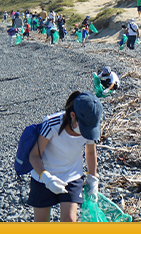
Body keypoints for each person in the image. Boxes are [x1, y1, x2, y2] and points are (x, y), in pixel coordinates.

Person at [28, 91, 104, 222]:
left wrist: (93, 179)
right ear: (73, 115)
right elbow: (34, 156)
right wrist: (47, 179)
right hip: (43, 178)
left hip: (72, 176)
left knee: (69, 220)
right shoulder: (52, 125)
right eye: (84, 128)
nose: (86, 133)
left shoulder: (90, 128)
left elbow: (90, 152)